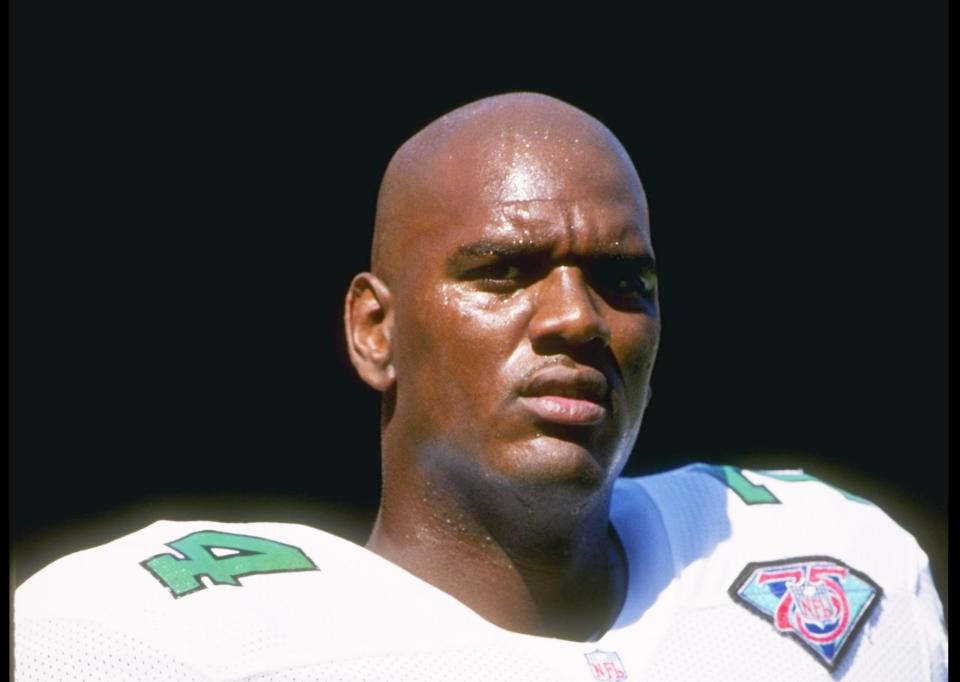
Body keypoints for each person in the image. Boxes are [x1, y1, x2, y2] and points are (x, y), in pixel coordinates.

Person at [14, 93, 947, 681]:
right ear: (376, 331)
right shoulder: (152, 639)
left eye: (625, 281)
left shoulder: (827, 564)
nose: (577, 319)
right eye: (503, 272)